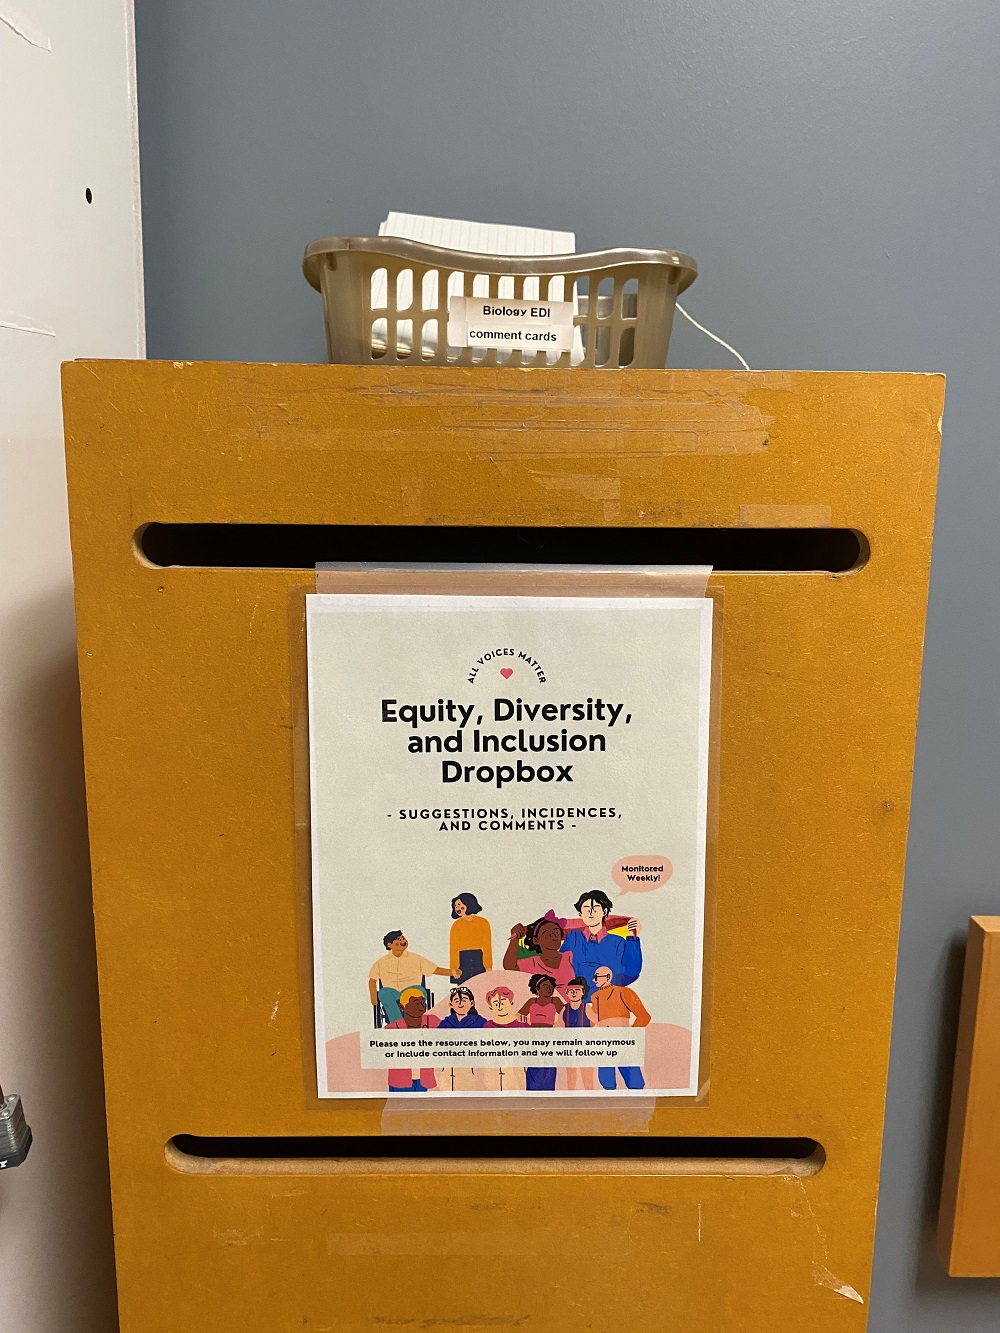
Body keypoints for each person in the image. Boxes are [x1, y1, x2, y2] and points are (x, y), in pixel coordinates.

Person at [560, 891, 642, 990]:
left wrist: (633, 937)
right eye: (586, 909)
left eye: (596, 908)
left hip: (608, 997)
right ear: (580, 914)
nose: (591, 912)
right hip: (576, 996)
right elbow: (561, 966)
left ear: (605, 911)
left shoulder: (617, 942)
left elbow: (631, 972)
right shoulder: (573, 937)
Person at [587, 965, 650, 1090]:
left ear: (608, 977)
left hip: (623, 1038)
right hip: (604, 1041)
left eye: (597, 977)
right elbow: (594, 1022)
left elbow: (644, 1016)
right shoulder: (595, 997)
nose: (594, 980)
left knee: (633, 1079)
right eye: (594, 978)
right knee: (606, 1079)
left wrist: (630, 1034)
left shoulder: (624, 992)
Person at [368, 930, 451, 1023]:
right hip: (392, 994)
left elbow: (435, 969)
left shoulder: (416, 958)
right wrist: (374, 1001)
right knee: (383, 993)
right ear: (390, 945)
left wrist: (452, 972)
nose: (402, 941)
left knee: (417, 992)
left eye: (403, 938)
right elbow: (372, 980)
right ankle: (398, 1023)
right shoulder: (381, 962)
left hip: (412, 991)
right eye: (398, 940)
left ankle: (414, 1023)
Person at [503, 912, 576, 994]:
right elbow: (509, 966)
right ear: (536, 940)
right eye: (547, 933)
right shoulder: (533, 963)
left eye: (556, 932)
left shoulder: (569, 956)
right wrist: (515, 938)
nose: (553, 936)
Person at [384, 987, 440, 1091]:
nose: (421, 1006)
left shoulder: (432, 1021)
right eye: (416, 1002)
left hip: (424, 1080)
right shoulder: (392, 1028)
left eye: (423, 1002)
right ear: (402, 1007)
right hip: (400, 1081)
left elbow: (450, 1033)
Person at [438, 985, 488, 1092]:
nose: (460, 1004)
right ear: (451, 1004)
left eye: (464, 1000)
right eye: (456, 1000)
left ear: (472, 1003)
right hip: (450, 1071)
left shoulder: (481, 1022)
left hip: (474, 1070)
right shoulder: (445, 1023)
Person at [517, 974, 561, 1092]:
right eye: (545, 986)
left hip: (549, 1037)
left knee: (549, 1065)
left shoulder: (555, 1001)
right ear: (537, 988)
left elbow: (564, 1015)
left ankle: (548, 1091)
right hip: (533, 1037)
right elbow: (519, 1015)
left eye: (551, 986)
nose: (549, 988)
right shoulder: (532, 1001)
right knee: (534, 1064)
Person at [483, 985, 525, 1092]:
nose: (500, 1006)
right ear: (491, 1007)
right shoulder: (487, 1026)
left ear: (511, 1003)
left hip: (515, 1073)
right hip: (493, 1072)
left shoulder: (521, 1025)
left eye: (503, 1002)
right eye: (496, 1004)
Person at [449, 893, 493, 982]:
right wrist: (454, 968)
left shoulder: (483, 923)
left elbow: (487, 946)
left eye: (459, 904)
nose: (457, 908)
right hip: (462, 960)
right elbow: (454, 948)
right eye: (455, 906)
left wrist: (488, 966)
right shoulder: (456, 925)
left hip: (478, 959)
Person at [562, 976, 595, 1091]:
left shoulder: (586, 1007)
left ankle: (590, 1099)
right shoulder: (564, 1008)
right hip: (569, 1046)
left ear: (582, 992)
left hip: (585, 1047)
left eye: (577, 991)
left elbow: (596, 1023)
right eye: (571, 991)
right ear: (567, 993)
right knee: (570, 1077)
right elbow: (557, 1026)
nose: (574, 993)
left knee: (587, 1077)